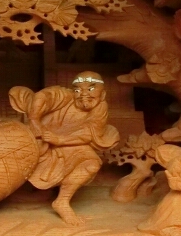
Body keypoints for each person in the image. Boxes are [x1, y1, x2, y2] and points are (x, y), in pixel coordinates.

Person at [9, 72, 120, 225]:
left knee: (91, 164)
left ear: (103, 94)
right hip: (38, 141)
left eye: (91, 89)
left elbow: (88, 133)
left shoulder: (100, 108)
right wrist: (34, 120)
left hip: (67, 144)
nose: (84, 94)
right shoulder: (65, 96)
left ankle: (62, 201)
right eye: (78, 90)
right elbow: (42, 97)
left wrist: (59, 140)